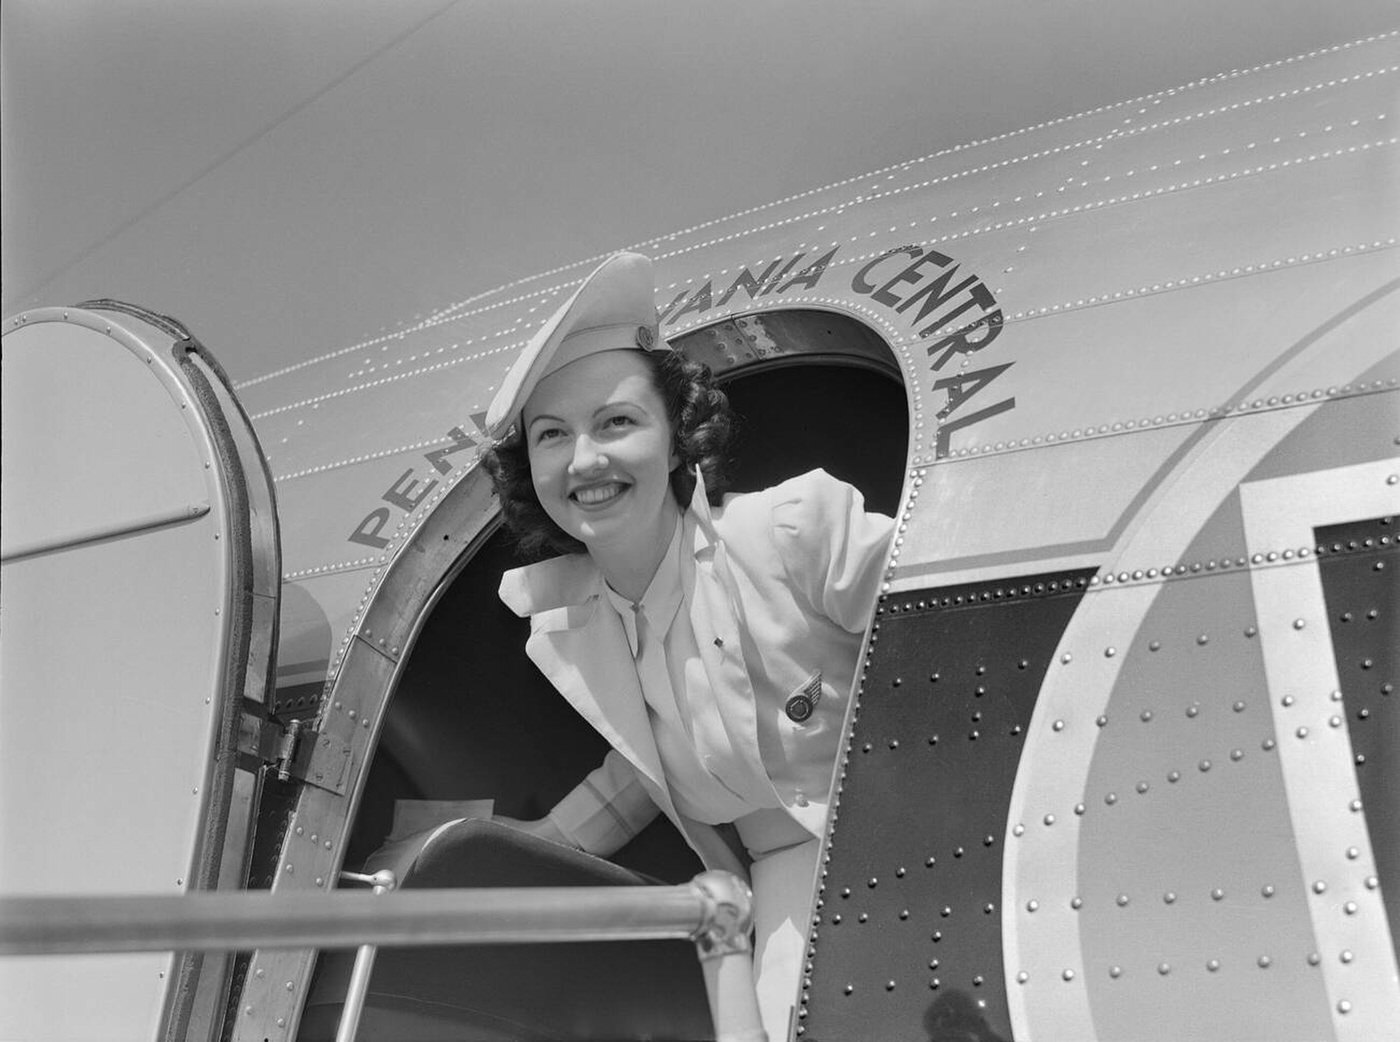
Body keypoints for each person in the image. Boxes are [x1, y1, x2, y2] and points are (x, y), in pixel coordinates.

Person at [481, 252, 893, 1040]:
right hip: (779, 888)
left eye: (616, 423)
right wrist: (508, 854)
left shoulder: (792, 531)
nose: (585, 460)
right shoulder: (577, 625)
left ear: (676, 441)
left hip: (916, 840)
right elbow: (647, 765)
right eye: (551, 436)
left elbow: (952, 618)